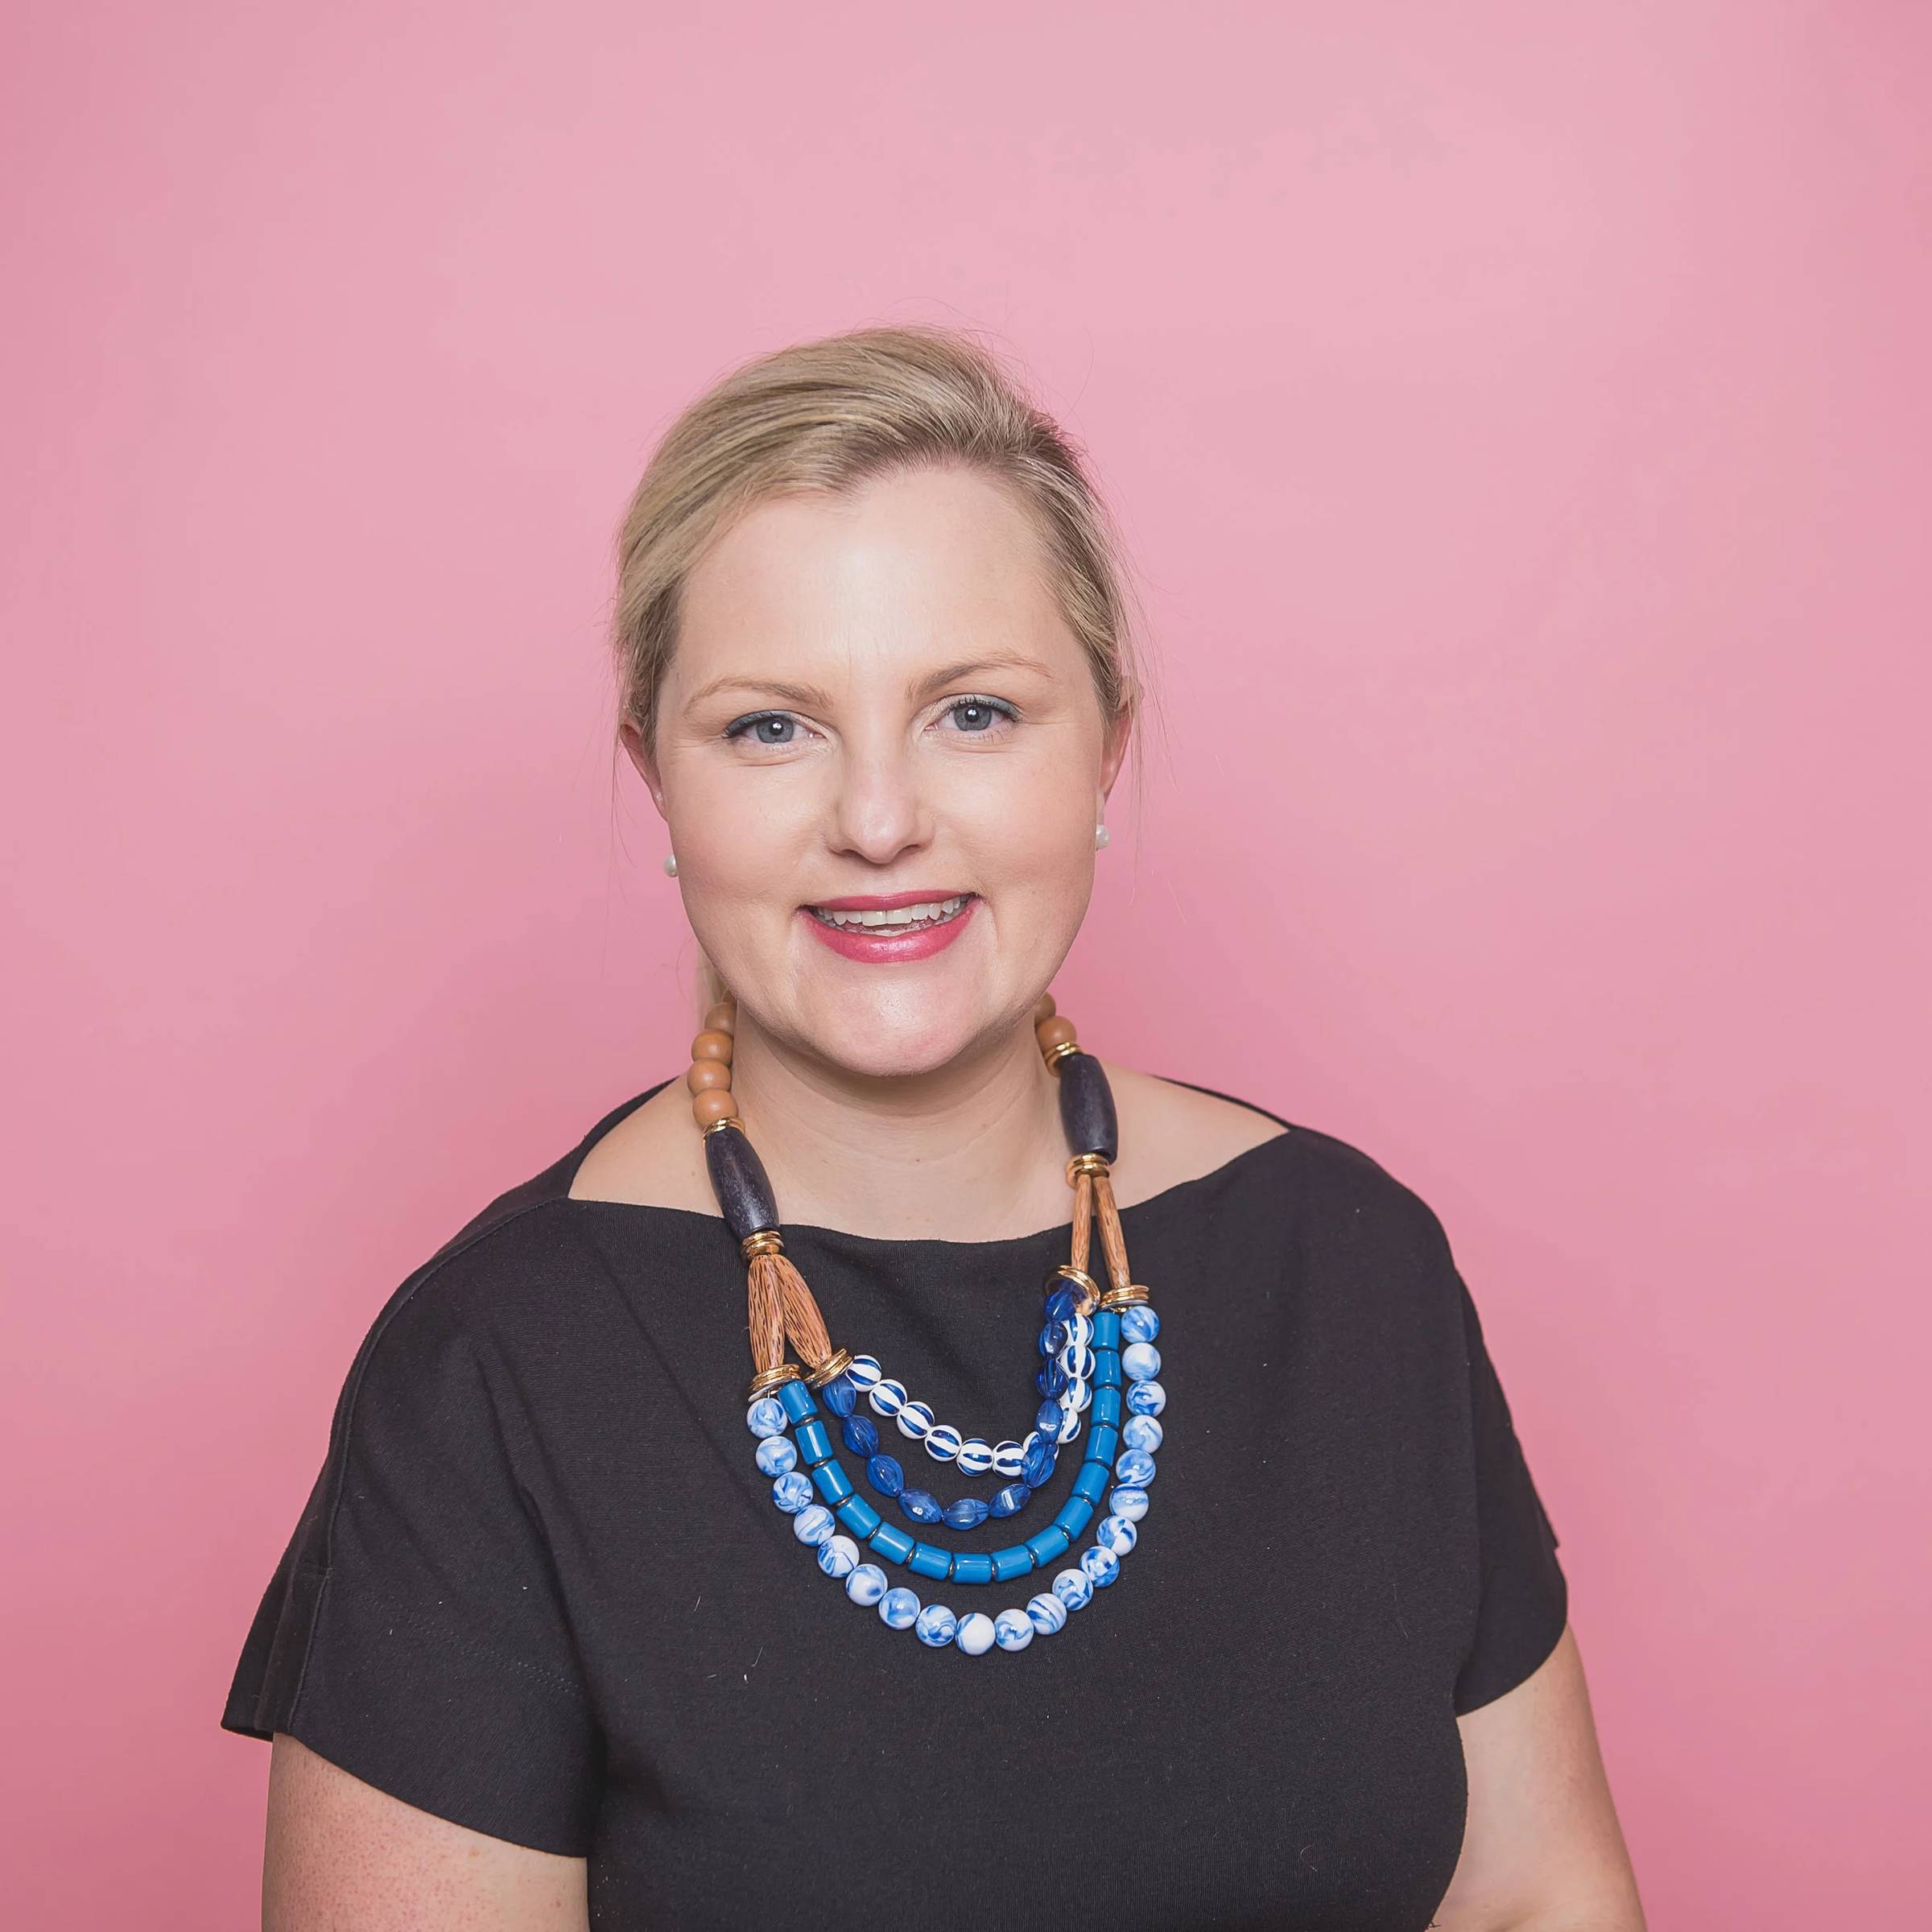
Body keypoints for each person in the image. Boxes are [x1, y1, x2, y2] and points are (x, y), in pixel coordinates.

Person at [221, 324, 1646, 1930]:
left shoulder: (1349, 1263)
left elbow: (1538, 1896)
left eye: (974, 712)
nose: (880, 820)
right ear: (660, 787)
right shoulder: (495, 1370)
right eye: (772, 727)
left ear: (1106, 749)